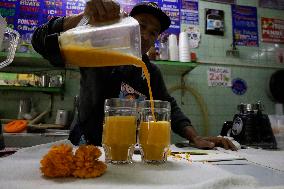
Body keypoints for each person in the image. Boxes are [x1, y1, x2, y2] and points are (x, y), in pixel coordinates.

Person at [32, 0, 237, 150]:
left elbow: (167, 105)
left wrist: (195, 137)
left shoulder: (150, 72)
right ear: (127, 24)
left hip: (127, 152)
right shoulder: (97, 52)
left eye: (153, 33)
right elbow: (39, 41)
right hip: (87, 148)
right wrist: (82, 19)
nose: (146, 36)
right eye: (141, 26)